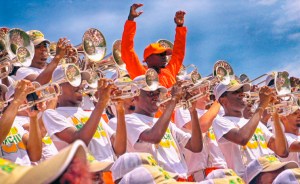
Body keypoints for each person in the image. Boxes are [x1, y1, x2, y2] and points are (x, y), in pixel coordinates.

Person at [42, 69, 127, 182]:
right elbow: (79, 140)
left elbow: (120, 149)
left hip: (108, 175)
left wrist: (120, 110)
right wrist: (101, 102)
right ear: (58, 87)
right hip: (83, 177)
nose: (81, 85)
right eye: (74, 81)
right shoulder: (51, 114)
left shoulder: (91, 114)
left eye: (81, 81)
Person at [124, 78, 203, 180]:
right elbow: (154, 137)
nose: (156, 97)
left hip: (181, 179)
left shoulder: (167, 124)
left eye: (158, 94)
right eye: (151, 94)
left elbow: (196, 146)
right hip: (158, 180)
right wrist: (174, 99)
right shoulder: (128, 120)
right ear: (135, 96)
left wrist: (193, 111)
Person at [212, 79, 289, 178]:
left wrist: (275, 114)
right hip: (249, 178)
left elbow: (282, 151)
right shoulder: (219, 121)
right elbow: (242, 138)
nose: (242, 94)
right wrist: (261, 105)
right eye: (235, 92)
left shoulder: (255, 123)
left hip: (271, 172)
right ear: (223, 100)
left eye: (242, 91)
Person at [121, 3, 187, 88]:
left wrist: (180, 26)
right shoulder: (140, 73)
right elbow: (127, 49)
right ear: (148, 58)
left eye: (165, 54)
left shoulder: (169, 71)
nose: (164, 57)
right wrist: (131, 19)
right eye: (160, 54)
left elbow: (178, 53)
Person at [174, 85, 227, 181]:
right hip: (199, 171)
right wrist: (219, 99)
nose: (208, 89)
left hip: (221, 167)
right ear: (193, 91)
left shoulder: (214, 112)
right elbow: (202, 125)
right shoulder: (182, 110)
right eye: (203, 87)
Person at [0, 80, 43, 165]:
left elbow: (35, 156)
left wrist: (33, 116)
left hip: (26, 174)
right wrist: (17, 101)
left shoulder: (14, 122)